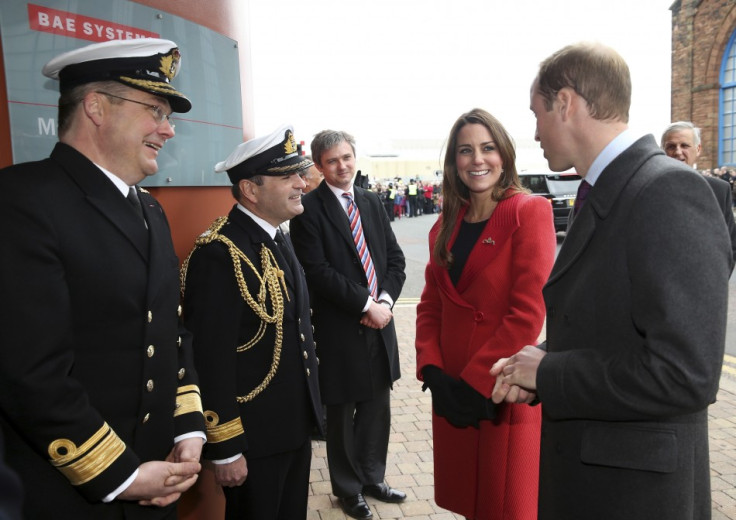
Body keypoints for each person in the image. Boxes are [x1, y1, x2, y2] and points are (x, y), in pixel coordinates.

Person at [491, 42, 731, 520]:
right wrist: (540, 360)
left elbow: (686, 373)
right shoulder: (607, 187)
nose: (534, 130)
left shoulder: (667, 189)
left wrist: (551, 373)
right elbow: (606, 323)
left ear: (566, 103)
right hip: (595, 479)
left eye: (537, 112)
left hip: (633, 496)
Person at [0, 38, 206, 519]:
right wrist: (123, 476)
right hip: (73, 493)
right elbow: (31, 374)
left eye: (169, 115)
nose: (168, 129)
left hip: (157, 480)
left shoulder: (150, 209)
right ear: (95, 106)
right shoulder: (20, 202)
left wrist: (189, 429)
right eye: (155, 109)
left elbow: (171, 334)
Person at [415, 108, 556, 520]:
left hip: (498, 389)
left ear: (504, 155)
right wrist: (433, 370)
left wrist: (475, 384)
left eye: (487, 148)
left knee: (505, 506)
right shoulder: (444, 224)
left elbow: (527, 313)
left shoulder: (528, 212)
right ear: (454, 162)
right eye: (465, 150)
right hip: (452, 389)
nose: (477, 159)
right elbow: (430, 305)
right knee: (470, 504)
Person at [180, 125, 324, 519]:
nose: (301, 183)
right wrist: (224, 445)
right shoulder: (221, 253)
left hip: (290, 428)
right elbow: (209, 358)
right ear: (250, 189)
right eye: (288, 176)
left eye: (300, 173)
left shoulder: (276, 236)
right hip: (252, 439)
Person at [290, 130, 407, 520]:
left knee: (377, 407)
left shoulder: (372, 202)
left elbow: (394, 257)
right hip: (341, 327)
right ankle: (347, 488)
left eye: (346, 157)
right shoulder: (309, 209)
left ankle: (373, 477)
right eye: (332, 161)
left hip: (381, 323)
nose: (342, 166)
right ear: (319, 166)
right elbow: (317, 272)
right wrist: (364, 304)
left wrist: (386, 301)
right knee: (341, 414)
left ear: (355, 157)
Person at [661, 121, 736, 267]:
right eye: (671, 146)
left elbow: (731, 244)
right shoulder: (649, 189)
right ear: (663, 151)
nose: (677, 152)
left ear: (698, 149)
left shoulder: (719, 190)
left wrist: (714, 281)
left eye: (684, 145)